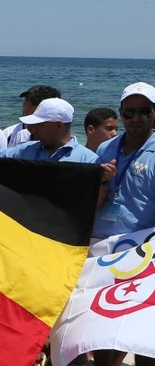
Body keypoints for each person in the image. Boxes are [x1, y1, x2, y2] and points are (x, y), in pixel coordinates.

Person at [91, 82, 155, 366]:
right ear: (121, 113)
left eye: (144, 112)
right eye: (130, 112)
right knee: (103, 327)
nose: (136, 118)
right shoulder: (105, 148)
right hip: (103, 253)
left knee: (144, 335)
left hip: (144, 254)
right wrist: (102, 181)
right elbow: (93, 199)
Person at [0, 98, 98, 164]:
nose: (32, 129)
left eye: (39, 125)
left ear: (58, 125)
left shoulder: (89, 160)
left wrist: (103, 181)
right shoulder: (27, 150)